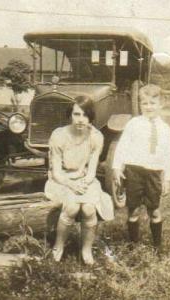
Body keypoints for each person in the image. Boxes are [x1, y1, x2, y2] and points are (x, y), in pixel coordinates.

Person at [45, 95, 114, 264]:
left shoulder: (96, 137)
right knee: (72, 207)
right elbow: (56, 172)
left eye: (85, 115)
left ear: (90, 117)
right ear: (70, 115)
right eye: (77, 114)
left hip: (84, 179)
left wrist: (83, 183)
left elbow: (91, 171)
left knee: (89, 209)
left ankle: (86, 250)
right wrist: (71, 184)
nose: (80, 120)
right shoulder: (59, 135)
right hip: (61, 180)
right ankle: (58, 246)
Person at [112, 84, 170, 251]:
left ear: (161, 104)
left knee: (154, 210)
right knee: (133, 210)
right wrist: (117, 168)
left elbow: (169, 155)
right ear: (140, 105)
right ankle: (133, 244)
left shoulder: (165, 129)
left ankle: (157, 245)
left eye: (153, 103)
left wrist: (167, 178)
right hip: (134, 170)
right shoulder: (134, 124)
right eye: (145, 103)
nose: (149, 107)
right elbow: (122, 146)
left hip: (154, 173)